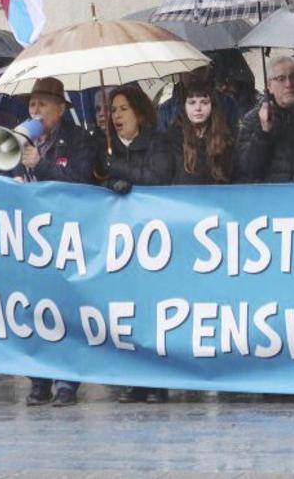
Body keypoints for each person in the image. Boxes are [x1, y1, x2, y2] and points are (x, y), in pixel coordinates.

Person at [5, 77, 95, 407]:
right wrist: (13, 179)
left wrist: (40, 165)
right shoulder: (18, 139)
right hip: (31, 238)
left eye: (43, 104)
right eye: (32, 104)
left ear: (60, 109)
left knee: (66, 309)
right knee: (33, 309)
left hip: (67, 235)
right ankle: (38, 379)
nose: (36, 110)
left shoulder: (79, 139)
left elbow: (81, 181)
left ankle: (67, 380)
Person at [97, 84, 174, 403]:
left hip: (155, 239)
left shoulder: (158, 142)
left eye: (123, 109)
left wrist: (118, 169)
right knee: (128, 311)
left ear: (139, 113)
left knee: (153, 310)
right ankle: (135, 379)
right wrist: (110, 179)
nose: (116, 116)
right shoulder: (106, 147)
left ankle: (158, 380)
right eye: (113, 110)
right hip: (121, 243)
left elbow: (157, 177)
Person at [168, 81, 235, 185]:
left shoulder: (225, 137)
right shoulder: (172, 138)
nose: (198, 108)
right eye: (192, 103)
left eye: (204, 102)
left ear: (212, 105)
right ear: (184, 106)